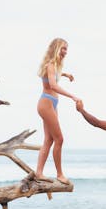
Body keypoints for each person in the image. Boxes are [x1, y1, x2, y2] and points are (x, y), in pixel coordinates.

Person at [36, 38, 79, 185]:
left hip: (51, 104)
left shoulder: (54, 66)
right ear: (56, 49)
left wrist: (66, 75)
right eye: (63, 49)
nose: (65, 52)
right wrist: (72, 95)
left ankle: (39, 173)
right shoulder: (51, 65)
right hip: (46, 103)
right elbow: (53, 85)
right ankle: (60, 174)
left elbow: (53, 76)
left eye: (66, 49)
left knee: (49, 140)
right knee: (59, 139)